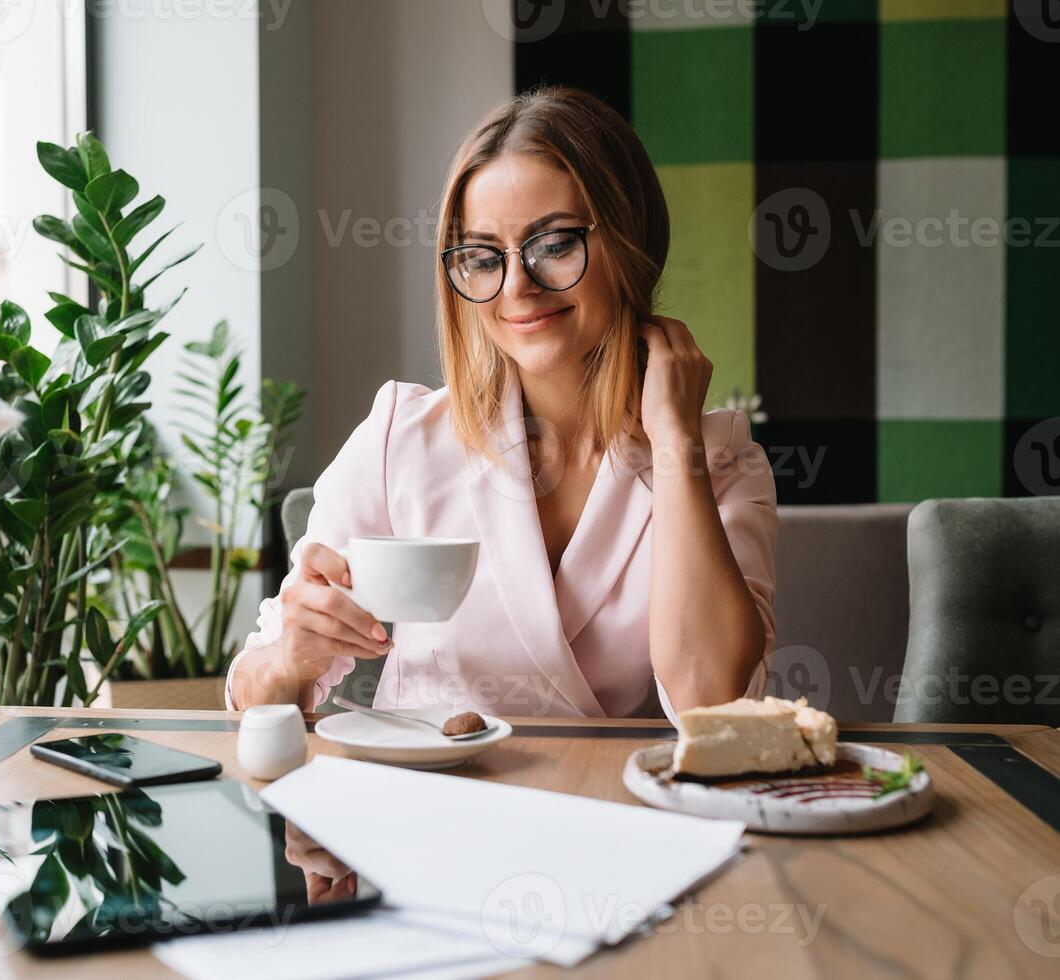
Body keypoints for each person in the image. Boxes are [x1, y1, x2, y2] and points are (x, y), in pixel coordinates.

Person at [228, 86, 777, 720]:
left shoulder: (721, 459)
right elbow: (256, 691)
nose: (517, 286)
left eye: (555, 245)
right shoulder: (400, 439)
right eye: (484, 256)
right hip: (428, 805)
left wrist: (678, 444)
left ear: (633, 244)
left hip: (616, 809)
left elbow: (715, 704)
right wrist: (291, 658)